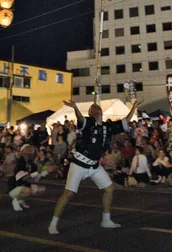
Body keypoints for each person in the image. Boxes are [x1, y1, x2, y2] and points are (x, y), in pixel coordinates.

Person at [48, 99, 137, 235]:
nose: (95, 108)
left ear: (101, 111)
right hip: (79, 163)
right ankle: (53, 224)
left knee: (109, 188)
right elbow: (80, 119)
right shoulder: (88, 123)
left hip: (94, 165)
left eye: (96, 107)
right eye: (92, 108)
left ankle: (106, 220)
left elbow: (126, 121)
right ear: (90, 113)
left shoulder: (108, 126)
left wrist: (134, 107)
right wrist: (75, 108)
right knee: (69, 193)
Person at [8, 144, 45, 211]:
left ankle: (21, 199)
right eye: (26, 148)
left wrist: (46, 172)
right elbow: (24, 178)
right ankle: (16, 200)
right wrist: (37, 172)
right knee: (28, 190)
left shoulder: (30, 162)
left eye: (29, 147)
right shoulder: (20, 162)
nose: (29, 149)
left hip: (24, 185)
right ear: (22, 151)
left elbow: (36, 178)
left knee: (41, 189)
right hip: (15, 187)